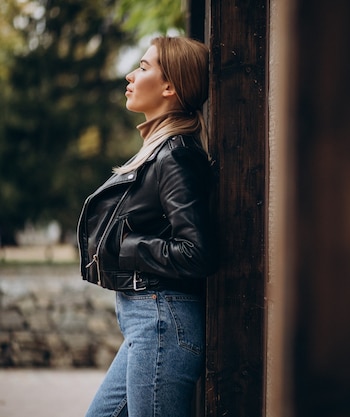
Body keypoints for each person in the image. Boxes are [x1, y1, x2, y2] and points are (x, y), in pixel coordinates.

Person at [77, 36, 217, 417]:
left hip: (161, 321)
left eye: (142, 67)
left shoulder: (176, 155)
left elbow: (197, 251)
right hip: (149, 322)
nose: (130, 75)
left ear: (170, 86)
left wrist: (125, 248)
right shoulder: (160, 150)